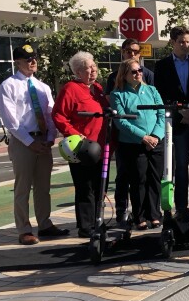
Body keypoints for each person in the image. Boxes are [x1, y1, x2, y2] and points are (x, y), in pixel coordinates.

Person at [0, 44, 68, 245]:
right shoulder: (8, 86)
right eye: (28, 59)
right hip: (23, 142)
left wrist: (51, 137)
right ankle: (24, 229)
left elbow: (50, 113)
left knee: (43, 187)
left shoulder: (42, 87)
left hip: (43, 140)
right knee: (23, 188)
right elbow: (11, 121)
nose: (32, 62)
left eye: (34, 58)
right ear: (17, 62)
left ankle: (44, 224)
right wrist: (30, 142)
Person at [153, 26, 189, 221]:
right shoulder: (162, 66)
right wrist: (181, 111)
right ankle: (181, 207)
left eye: (187, 41)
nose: (185, 45)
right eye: (181, 42)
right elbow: (161, 94)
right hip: (177, 123)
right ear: (173, 42)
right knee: (180, 164)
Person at [52, 51, 110, 236]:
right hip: (83, 147)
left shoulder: (98, 89)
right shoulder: (70, 88)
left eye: (94, 67)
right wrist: (76, 135)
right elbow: (59, 116)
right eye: (88, 68)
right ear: (77, 72)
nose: (93, 71)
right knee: (85, 187)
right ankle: (86, 226)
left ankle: (98, 221)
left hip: (102, 147)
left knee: (100, 186)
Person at [110, 58, 166, 230]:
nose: (138, 74)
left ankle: (154, 215)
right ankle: (139, 216)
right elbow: (121, 122)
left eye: (140, 70)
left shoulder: (152, 90)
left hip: (156, 142)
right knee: (138, 181)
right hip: (133, 144)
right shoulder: (118, 94)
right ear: (124, 75)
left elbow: (161, 114)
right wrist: (143, 137)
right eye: (133, 72)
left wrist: (156, 136)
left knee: (155, 179)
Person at [105, 38, 154, 224]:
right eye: (128, 51)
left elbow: (153, 100)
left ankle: (147, 211)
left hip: (147, 138)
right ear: (122, 52)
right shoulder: (113, 77)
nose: (131, 54)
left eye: (135, 51)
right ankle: (121, 211)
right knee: (124, 176)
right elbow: (115, 106)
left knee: (144, 177)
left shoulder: (148, 74)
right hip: (124, 136)